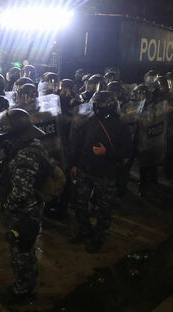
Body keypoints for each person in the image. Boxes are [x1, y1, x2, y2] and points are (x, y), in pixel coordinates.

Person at [69, 91, 133, 252]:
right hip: (85, 170)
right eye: (95, 104)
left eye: (101, 104)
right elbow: (79, 143)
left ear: (110, 106)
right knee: (80, 204)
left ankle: (99, 237)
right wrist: (75, 164)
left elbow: (127, 152)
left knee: (104, 209)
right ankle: (84, 231)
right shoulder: (89, 121)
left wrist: (107, 153)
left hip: (106, 174)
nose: (97, 107)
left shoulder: (120, 126)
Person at [0, 108, 47, 304]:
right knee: (27, 249)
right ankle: (28, 285)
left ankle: (22, 289)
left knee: (21, 253)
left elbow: (21, 191)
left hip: (24, 212)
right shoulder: (30, 143)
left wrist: (8, 206)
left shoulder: (25, 155)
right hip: (30, 208)